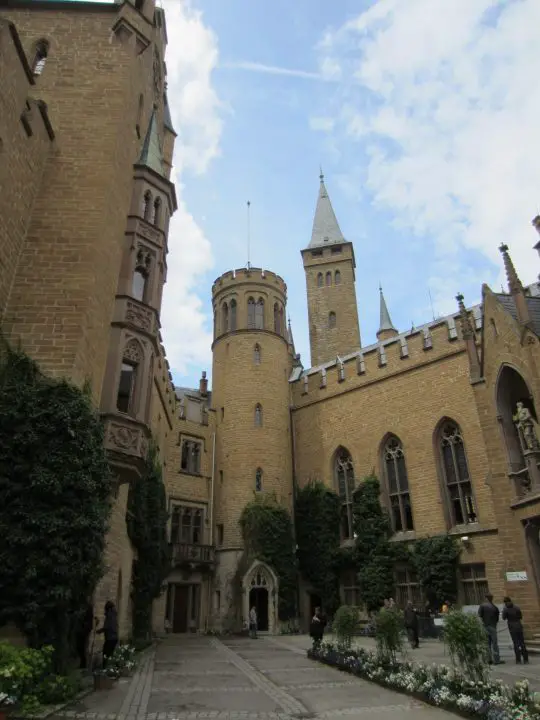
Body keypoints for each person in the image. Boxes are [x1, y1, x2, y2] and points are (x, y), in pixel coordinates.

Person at [478, 593, 504, 665]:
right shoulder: (495, 607)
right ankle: (496, 660)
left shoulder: (482, 606)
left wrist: (482, 626)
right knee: (495, 644)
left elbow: (479, 616)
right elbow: (497, 619)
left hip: (485, 626)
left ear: (486, 598)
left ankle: (488, 660)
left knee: (487, 644)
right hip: (493, 627)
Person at [502, 596, 529, 664]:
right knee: (522, 643)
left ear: (506, 602)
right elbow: (520, 616)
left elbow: (504, 618)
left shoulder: (505, 609)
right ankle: (526, 659)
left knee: (516, 643)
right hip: (519, 625)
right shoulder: (517, 607)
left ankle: (518, 660)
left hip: (512, 626)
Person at [97, 601, 118, 668]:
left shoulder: (109, 615)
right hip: (114, 637)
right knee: (110, 654)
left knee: (106, 654)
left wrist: (99, 631)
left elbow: (107, 627)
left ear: (108, 608)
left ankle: (105, 669)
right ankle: (113, 668)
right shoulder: (114, 615)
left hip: (110, 638)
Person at [76, 601, 94, 669]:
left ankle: (83, 664)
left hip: (84, 630)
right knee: (80, 647)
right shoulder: (85, 607)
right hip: (82, 630)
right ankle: (83, 664)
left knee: (82, 647)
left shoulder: (87, 608)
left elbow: (88, 622)